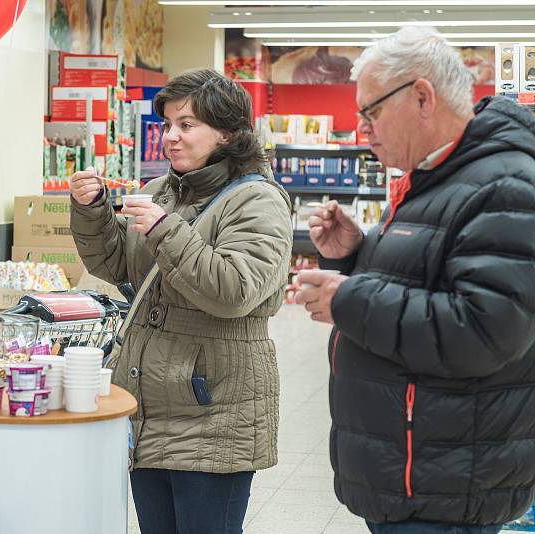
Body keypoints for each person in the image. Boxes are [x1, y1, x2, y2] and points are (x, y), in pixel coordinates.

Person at [296, 26, 535, 534]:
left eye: (372, 112)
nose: (364, 129)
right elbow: (423, 283)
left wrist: (351, 298)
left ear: (422, 96)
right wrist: (356, 256)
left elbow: (485, 330)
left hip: (446, 488)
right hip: (415, 474)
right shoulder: (436, 175)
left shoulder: (504, 185)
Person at [70, 68, 293, 534]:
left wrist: (163, 230)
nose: (171, 137)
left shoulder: (258, 200)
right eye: (167, 125)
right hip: (148, 407)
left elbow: (233, 290)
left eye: (187, 125)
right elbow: (120, 269)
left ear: (228, 133)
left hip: (212, 409)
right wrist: (92, 213)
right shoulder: (161, 192)